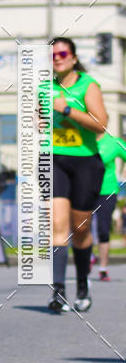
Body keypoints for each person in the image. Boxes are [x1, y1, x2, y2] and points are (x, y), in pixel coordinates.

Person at [47, 37, 107, 313]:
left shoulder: (87, 85)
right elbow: (40, 118)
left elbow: (100, 126)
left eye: (62, 53)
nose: (57, 58)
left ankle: (83, 284)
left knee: (79, 228)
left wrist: (68, 110)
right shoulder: (43, 88)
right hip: (53, 159)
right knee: (57, 223)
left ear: (73, 57)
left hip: (85, 162)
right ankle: (58, 291)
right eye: (53, 55)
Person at [92, 131, 126, 280]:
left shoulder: (114, 142)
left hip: (108, 191)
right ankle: (88, 255)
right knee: (81, 226)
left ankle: (103, 268)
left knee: (103, 229)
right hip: (86, 189)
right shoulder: (84, 139)